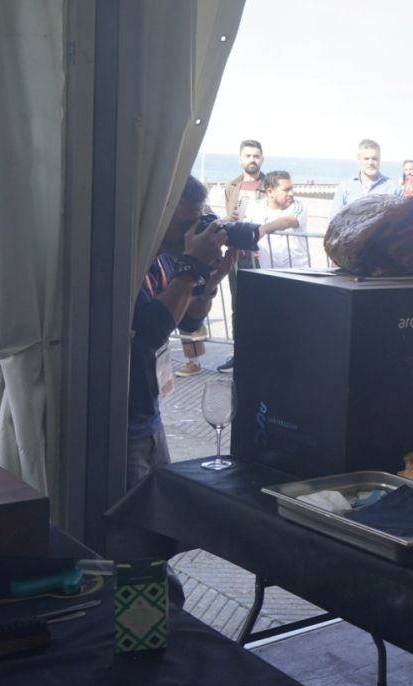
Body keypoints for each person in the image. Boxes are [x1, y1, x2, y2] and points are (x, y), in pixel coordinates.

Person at [129, 176, 233, 487]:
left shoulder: (160, 260)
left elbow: (188, 322)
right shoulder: (127, 264)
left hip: (148, 418)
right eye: (186, 222)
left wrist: (210, 280)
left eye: (197, 221)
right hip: (120, 427)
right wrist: (191, 265)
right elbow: (151, 331)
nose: (192, 232)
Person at [217, 139, 266, 373]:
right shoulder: (232, 186)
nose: (252, 160)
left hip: (262, 254)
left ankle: (261, 354)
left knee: (263, 304)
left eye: (256, 156)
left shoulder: (270, 184)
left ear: (262, 159)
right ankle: (239, 353)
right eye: (248, 155)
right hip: (237, 254)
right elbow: (229, 218)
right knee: (238, 306)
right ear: (240, 159)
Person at [245, 170, 308, 268]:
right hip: (268, 271)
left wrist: (263, 229)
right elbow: (246, 230)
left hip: (298, 272)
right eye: (286, 190)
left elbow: (287, 221)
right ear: (270, 192)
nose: (291, 193)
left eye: (291, 189)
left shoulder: (299, 205)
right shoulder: (254, 207)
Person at [331, 139, 401, 215]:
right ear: (358, 159)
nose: (370, 162)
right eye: (366, 159)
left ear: (379, 159)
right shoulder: (345, 187)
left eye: (375, 159)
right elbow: (334, 220)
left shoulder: (394, 188)